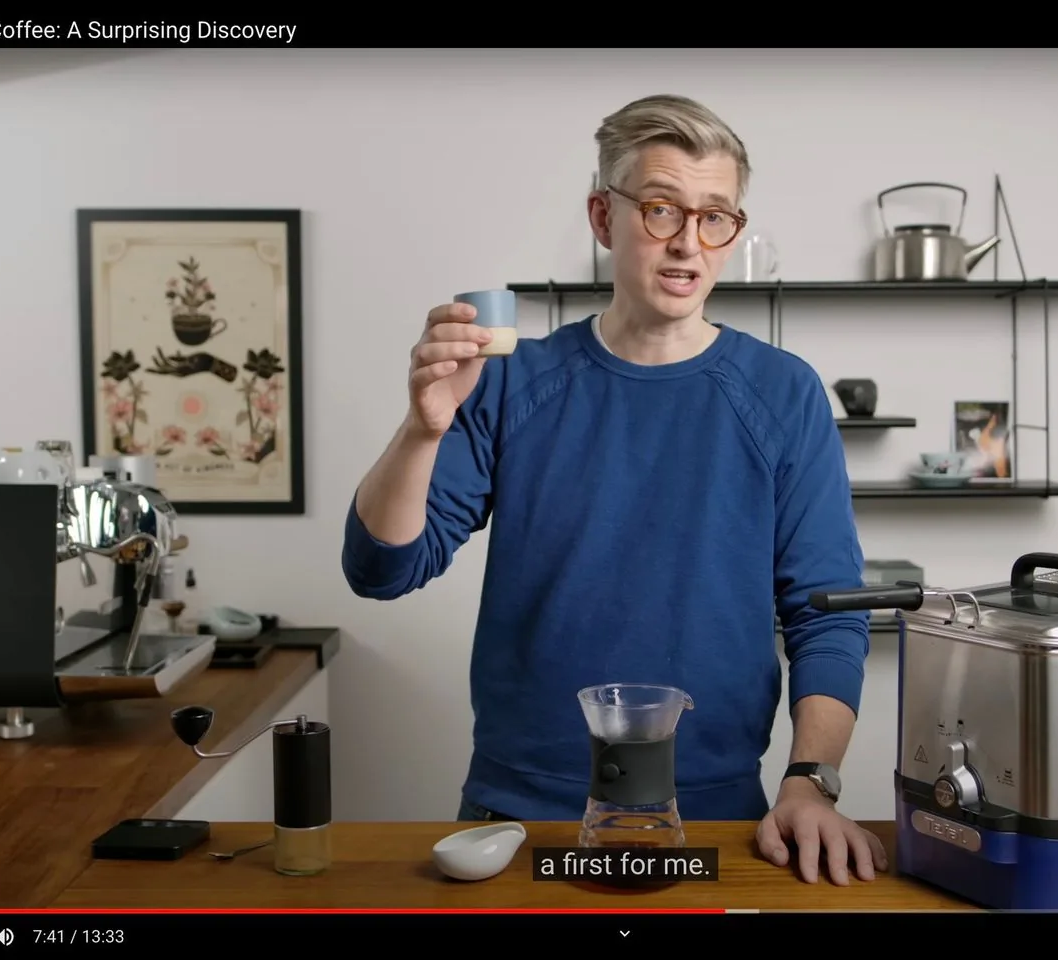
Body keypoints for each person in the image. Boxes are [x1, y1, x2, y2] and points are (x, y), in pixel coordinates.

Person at [342, 94, 887, 885]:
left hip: (713, 814)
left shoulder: (784, 392)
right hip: (517, 814)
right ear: (604, 217)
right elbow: (381, 570)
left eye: (714, 217)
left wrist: (811, 782)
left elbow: (827, 613)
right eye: (662, 209)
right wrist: (423, 430)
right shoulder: (512, 380)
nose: (688, 243)